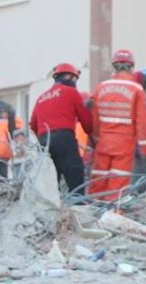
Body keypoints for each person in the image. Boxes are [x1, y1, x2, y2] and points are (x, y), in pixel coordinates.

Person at [86, 50, 146, 202]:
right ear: (131, 67)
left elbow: (93, 119)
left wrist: (95, 140)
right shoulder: (136, 89)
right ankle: (112, 215)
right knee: (118, 183)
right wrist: (144, 148)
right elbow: (143, 122)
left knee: (98, 180)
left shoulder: (100, 87)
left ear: (114, 66)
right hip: (124, 143)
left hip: (103, 142)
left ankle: (92, 212)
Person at [30, 64, 92, 203]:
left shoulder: (41, 98)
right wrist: (92, 131)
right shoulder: (71, 92)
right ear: (71, 77)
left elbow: (33, 124)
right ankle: (79, 208)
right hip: (64, 138)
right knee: (75, 176)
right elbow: (85, 119)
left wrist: (42, 136)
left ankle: (51, 211)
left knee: (51, 181)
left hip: (44, 141)